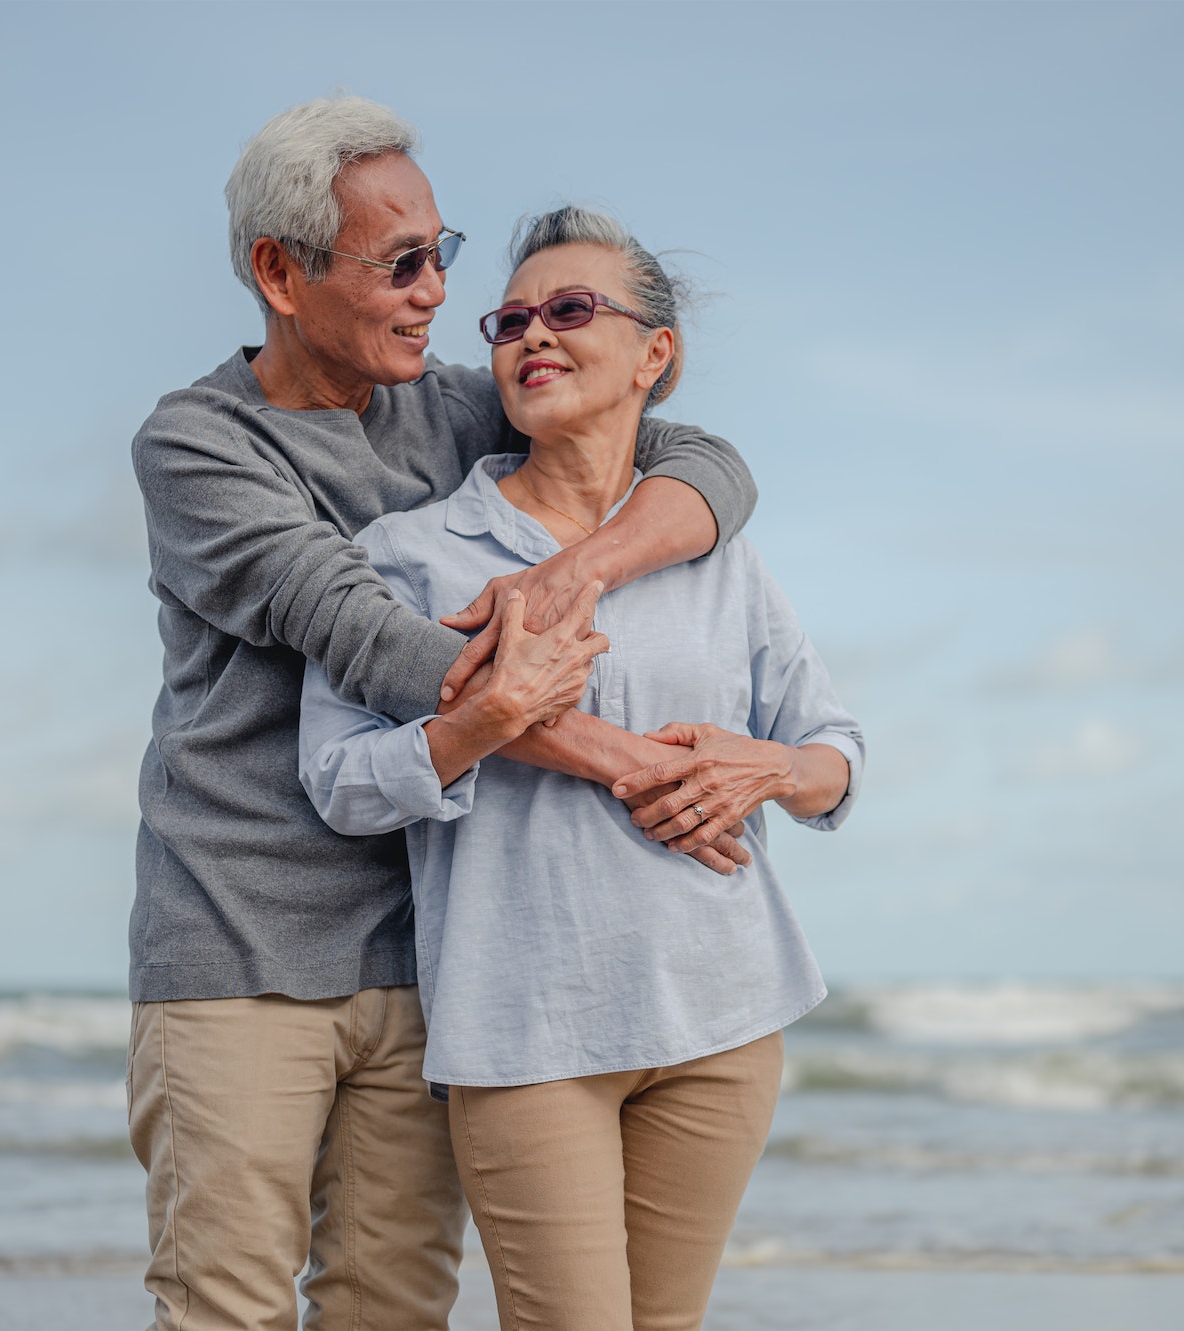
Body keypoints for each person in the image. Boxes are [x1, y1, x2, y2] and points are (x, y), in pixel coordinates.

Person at [125, 99, 761, 1331]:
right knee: (225, 1307)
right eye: (398, 262)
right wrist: (630, 764)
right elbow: (364, 636)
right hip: (241, 947)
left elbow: (704, 462)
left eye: (441, 254)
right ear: (279, 271)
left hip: (433, 961)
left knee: (393, 1305)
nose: (435, 293)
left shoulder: (458, 404)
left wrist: (580, 570)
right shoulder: (199, 442)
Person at [298, 206, 864, 1331]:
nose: (528, 338)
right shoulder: (413, 556)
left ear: (656, 354)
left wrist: (767, 769)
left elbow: (835, 755)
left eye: (567, 310)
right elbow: (339, 779)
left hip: (725, 1013)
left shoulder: (716, 551)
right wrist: (479, 721)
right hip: (526, 1031)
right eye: (507, 320)